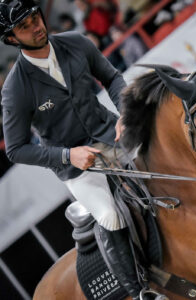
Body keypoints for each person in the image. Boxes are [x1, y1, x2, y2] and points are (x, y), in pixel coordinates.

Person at [0, 1, 148, 299]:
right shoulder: (15, 89)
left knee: (165, 175)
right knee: (110, 216)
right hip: (77, 167)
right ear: (12, 39)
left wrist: (124, 113)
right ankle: (141, 291)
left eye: (34, 18)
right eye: (24, 26)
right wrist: (68, 155)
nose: (35, 26)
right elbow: (15, 149)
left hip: (113, 137)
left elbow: (112, 77)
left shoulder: (75, 42)